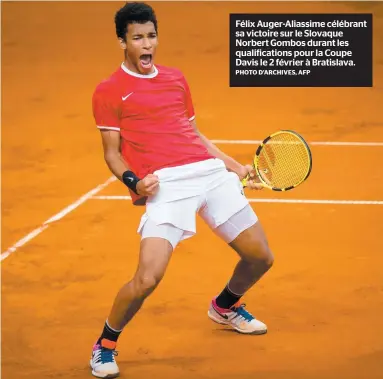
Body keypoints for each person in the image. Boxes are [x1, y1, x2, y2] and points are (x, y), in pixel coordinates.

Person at [90, 2, 274, 378]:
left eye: (151, 36)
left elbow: (194, 134)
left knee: (260, 257)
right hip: (166, 184)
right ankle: (105, 345)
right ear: (122, 41)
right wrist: (134, 182)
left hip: (208, 173)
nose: (146, 45)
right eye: (137, 37)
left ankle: (224, 307)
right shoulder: (109, 91)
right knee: (147, 279)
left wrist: (235, 167)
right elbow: (112, 154)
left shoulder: (175, 78)